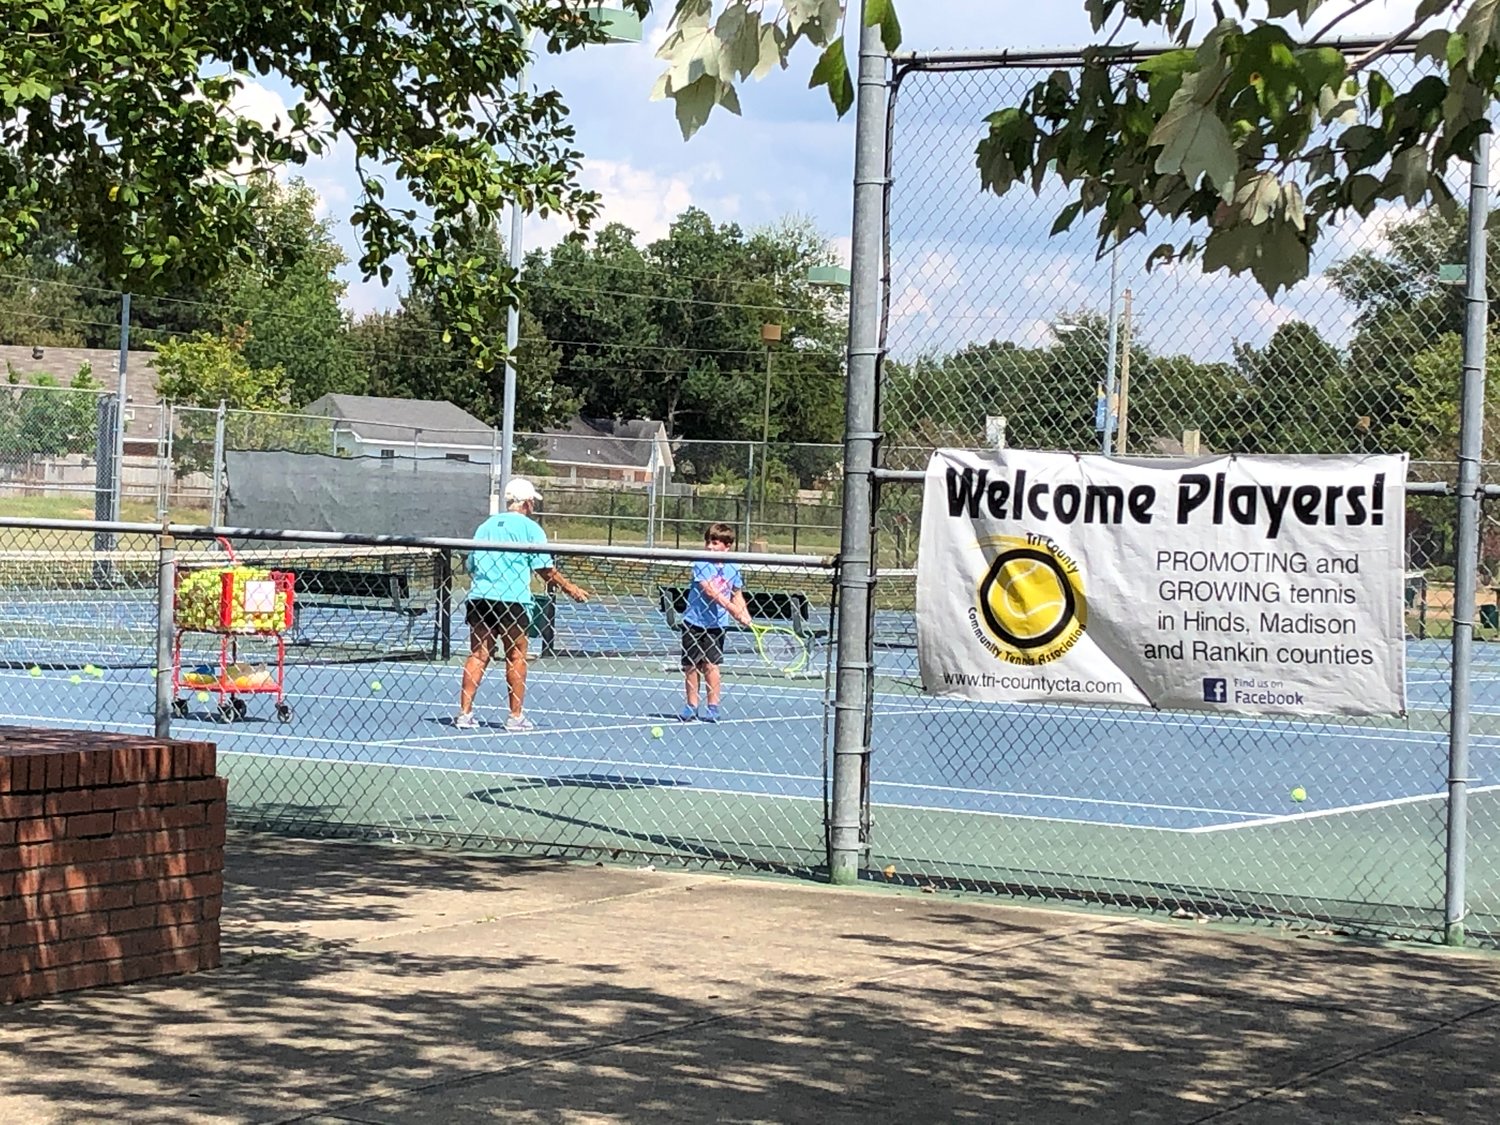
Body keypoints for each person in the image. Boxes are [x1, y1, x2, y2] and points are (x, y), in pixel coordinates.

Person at [456, 477, 588, 731]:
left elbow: (471, 564)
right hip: (512, 600)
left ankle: (465, 713)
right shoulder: (531, 529)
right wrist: (571, 588)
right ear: (527, 503)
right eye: (532, 502)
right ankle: (515, 717)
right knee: (516, 655)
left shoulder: (485, 526)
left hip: (480, 597)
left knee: (478, 654)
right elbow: (545, 569)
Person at [680, 522, 751, 722]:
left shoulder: (734, 566)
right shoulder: (702, 563)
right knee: (691, 665)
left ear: (727, 546)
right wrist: (733, 610)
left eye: (715, 543)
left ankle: (713, 707)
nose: (710, 546)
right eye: (708, 542)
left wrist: (744, 613)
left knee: (712, 665)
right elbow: (710, 591)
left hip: (716, 626)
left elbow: (737, 593)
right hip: (693, 622)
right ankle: (691, 705)